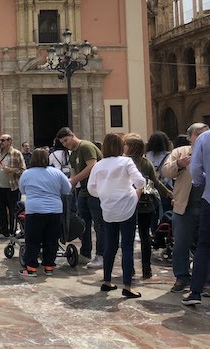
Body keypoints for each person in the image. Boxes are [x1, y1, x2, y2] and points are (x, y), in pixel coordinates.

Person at [88, 133, 146, 298]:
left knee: (110, 245)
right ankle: (127, 285)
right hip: (127, 205)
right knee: (127, 246)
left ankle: (107, 281)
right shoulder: (126, 161)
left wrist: (107, 193)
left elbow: (92, 189)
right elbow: (140, 182)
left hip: (108, 208)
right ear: (121, 146)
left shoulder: (98, 165)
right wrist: (137, 191)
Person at [162, 123, 210, 292]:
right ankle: (182, 277)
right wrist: (180, 164)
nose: (203, 136)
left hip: (206, 204)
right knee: (181, 244)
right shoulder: (179, 152)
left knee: (204, 244)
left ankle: (206, 280)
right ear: (190, 137)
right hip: (184, 206)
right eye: (199, 134)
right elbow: (166, 171)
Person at [123, 133, 172, 279]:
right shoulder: (146, 162)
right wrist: (169, 194)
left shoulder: (124, 162)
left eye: (126, 144)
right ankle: (146, 269)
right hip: (146, 204)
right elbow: (157, 183)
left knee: (128, 237)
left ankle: (129, 268)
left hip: (128, 203)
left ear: (131, 147)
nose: (123, 146)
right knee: (145, 236)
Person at [18, 149, 72, 276]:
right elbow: (67, 189)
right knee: (51, 239)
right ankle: (49, 267)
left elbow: (22, 189)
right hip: (54, 210)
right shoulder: (56, 173)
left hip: (35, 210)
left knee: (32, 240)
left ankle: (31, 268)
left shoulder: (27, 174)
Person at [56, 127, 103, 269]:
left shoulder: (86, 147)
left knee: (99, 225)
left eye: (66, 140)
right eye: (63, 143)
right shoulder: (72, 154)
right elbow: (74, 175)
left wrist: (74, 179)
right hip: (83, 192)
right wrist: (67, 191)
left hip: (96, 192)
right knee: (84, 224)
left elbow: (92, 166)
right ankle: (85, 253)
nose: (65, 144)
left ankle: (101, 255)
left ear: (72, 135)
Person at [182, 128, 210, 305]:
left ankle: (195, 292)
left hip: (209, 198)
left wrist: (201, 182)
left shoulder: (205, 138)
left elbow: (196, 168)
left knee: (204, 244)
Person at [0, 134, 26, 239]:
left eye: (3, 140)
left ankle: (13, 231)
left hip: (12, 187)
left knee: (13, 210)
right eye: (0, 140)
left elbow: (23, 169)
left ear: (9, 141)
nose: (1, 142)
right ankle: (3, 232)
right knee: (0, 210)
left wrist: (11, 170)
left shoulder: (16, 153)